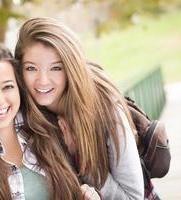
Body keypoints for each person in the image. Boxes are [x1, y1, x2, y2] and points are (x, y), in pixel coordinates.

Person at [0, 43, 100, 200]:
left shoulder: (49, 131)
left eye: (8, 87)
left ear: (19, 88)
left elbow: (79, 187)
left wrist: (90, 195)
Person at [13, 17, 144, 199]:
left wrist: (83, 160)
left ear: (70, 68)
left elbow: (133, 197)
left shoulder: (105, 110)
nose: (42, 81)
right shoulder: (23, 106)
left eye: (56, 68)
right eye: (31, 68)